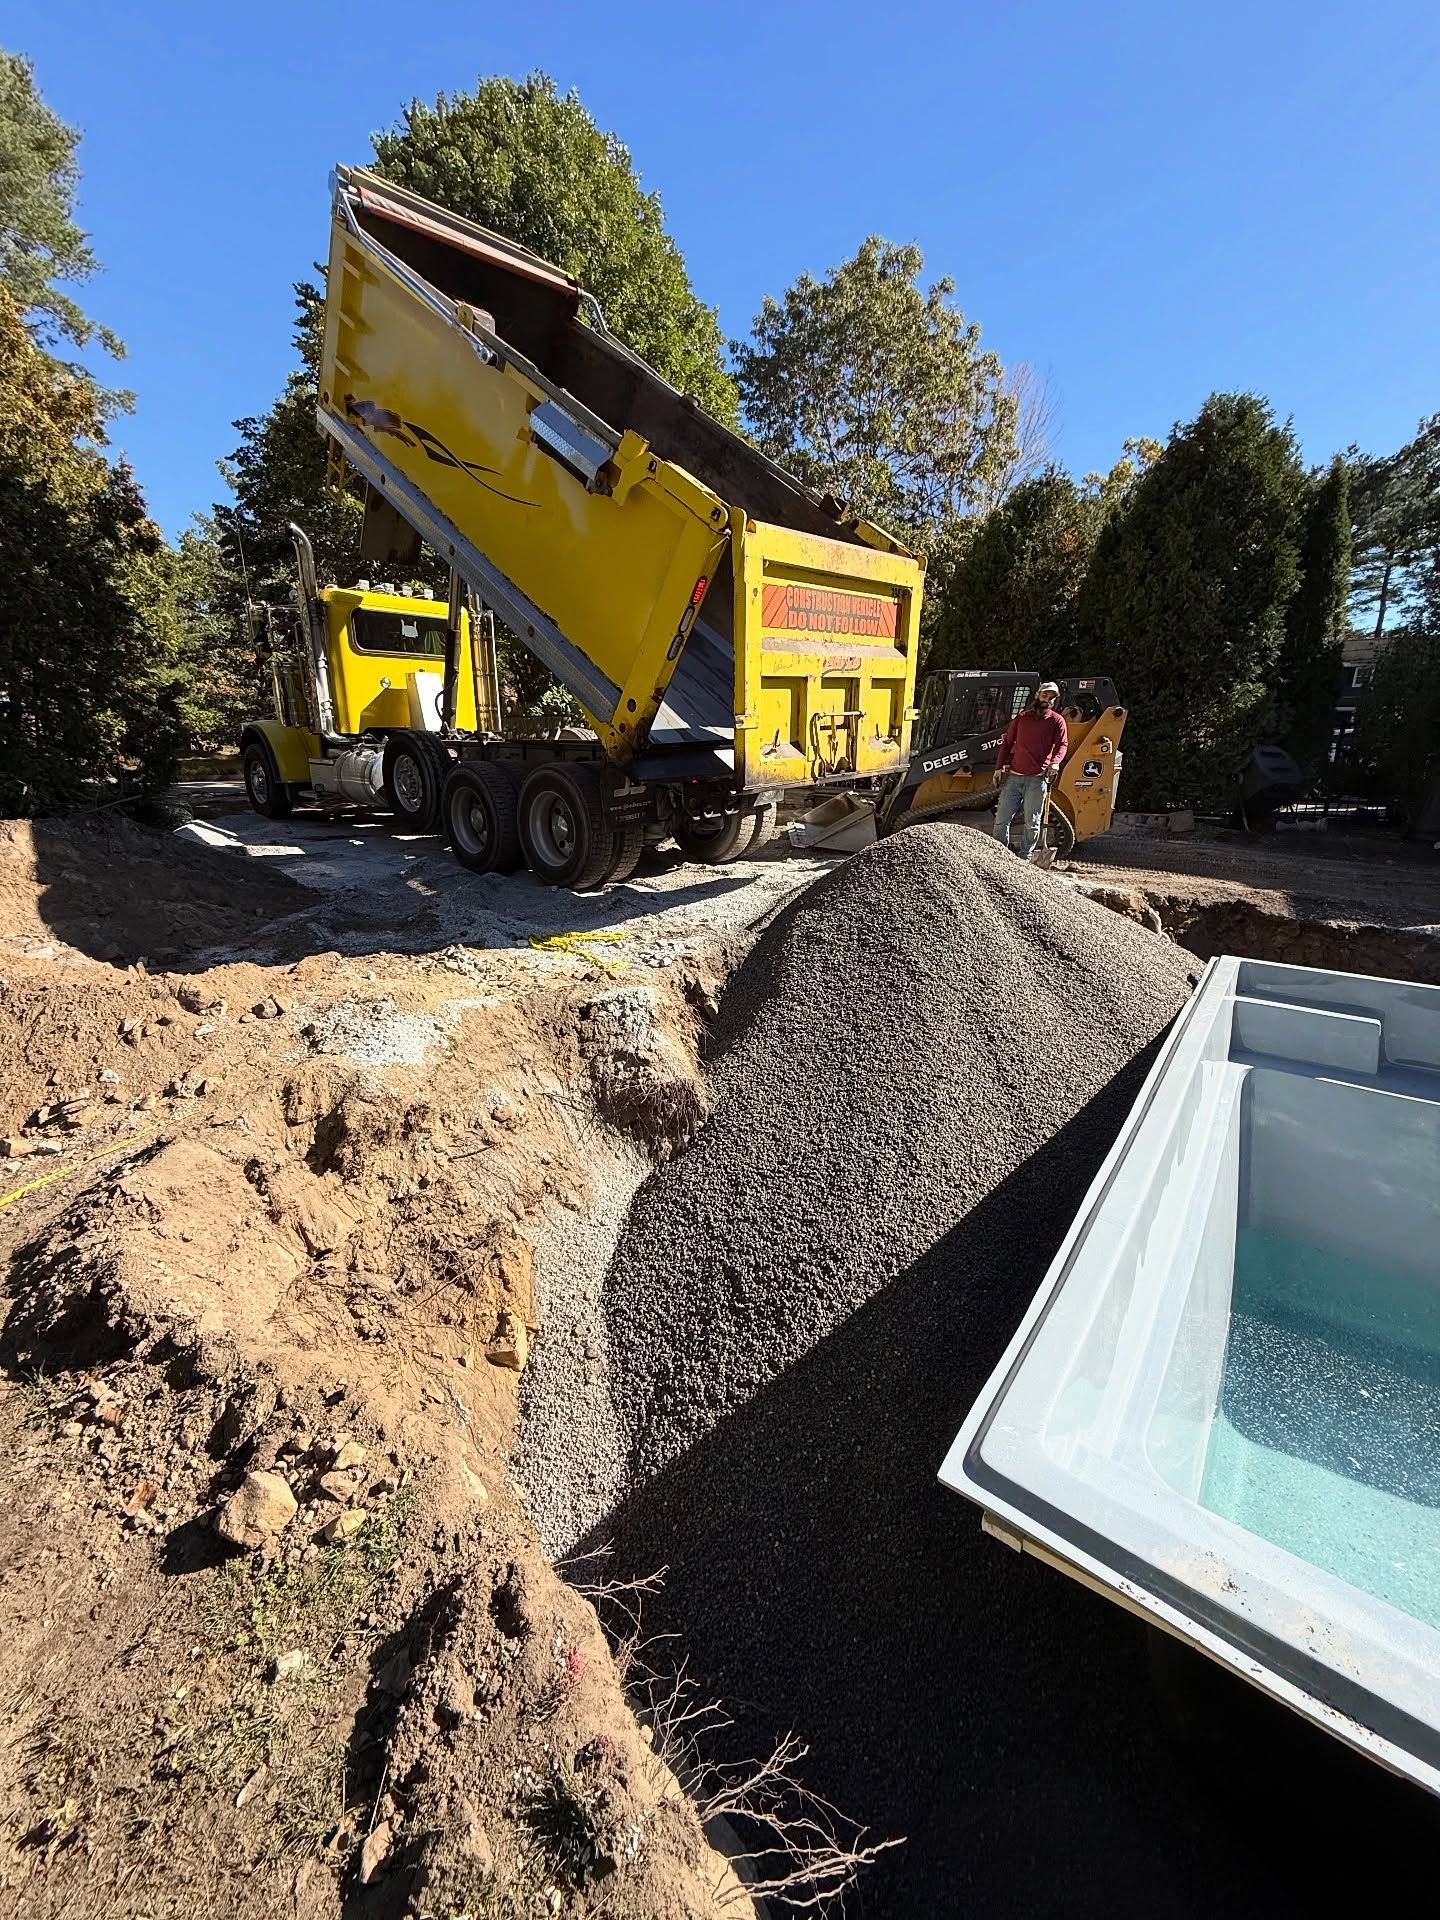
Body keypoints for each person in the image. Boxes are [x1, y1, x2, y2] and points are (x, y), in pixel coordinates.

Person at [992, 681, 1068, 860]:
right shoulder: (1022, 718)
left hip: (1037, 780)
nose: (1047, 700)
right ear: (1037, 695)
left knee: (1032, 823)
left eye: (1051, 698)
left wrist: (1055, 762)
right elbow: (1007, 744)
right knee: (1001, 821)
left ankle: (1025, 857)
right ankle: (1000, 856)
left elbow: (1063, 744)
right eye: (1044, 695)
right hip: (1014, 779)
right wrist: (998, 768)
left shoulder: (1057, 721)